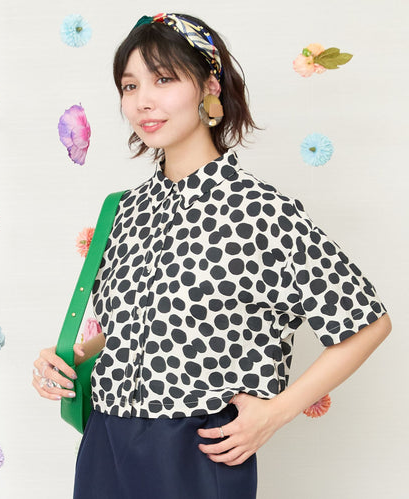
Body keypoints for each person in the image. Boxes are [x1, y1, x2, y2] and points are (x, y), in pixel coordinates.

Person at [32, 12, 392, 499]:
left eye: (163, 79)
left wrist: (276, 413)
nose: (142, 101)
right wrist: (75, 356)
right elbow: (153, 321)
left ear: (209, 86)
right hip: (104, 443)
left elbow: (367, 321)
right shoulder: (122, 210)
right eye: (130, 85)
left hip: (196, 453)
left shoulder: (260, 211)